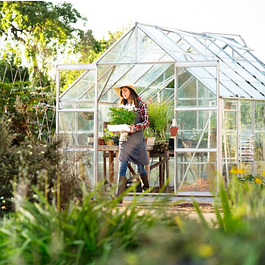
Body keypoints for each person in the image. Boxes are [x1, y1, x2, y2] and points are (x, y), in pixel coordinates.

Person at [113, 83, 150, 201]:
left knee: (140, 169)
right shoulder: (121, 106)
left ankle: (146, 186)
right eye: (121, 92)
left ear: (131, 91)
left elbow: (146, 122)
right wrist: (116, 129)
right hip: (124, 140)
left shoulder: (141, 105)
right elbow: (117, 122)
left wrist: (135, 127)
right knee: (122, 166)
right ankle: (118, 196)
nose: (123, 93)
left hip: (137, 141)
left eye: (125, 91)